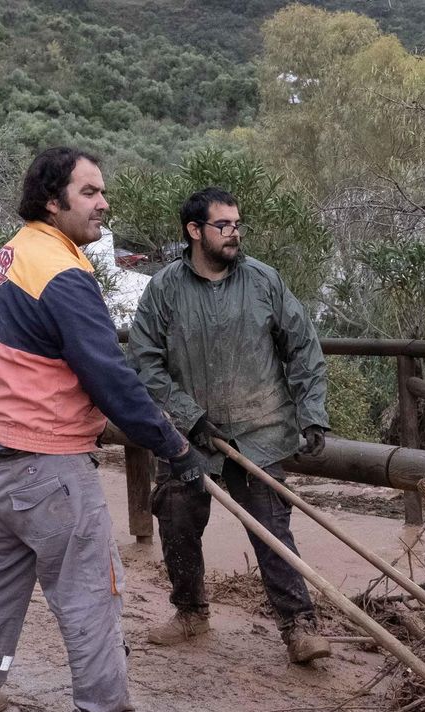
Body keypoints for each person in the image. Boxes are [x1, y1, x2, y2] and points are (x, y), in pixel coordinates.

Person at [0, 147, 205, 712]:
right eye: (89, 192)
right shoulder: (62, 271)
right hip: (43, 458)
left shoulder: (18, 252)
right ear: (52, 201)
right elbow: (107, 373)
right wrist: (173, 444)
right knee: (89, 588)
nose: (103, 202)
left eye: (102, 191)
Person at [128, 186, 332, 665]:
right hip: (188, 438)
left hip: (259, 434)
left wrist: (313, 414)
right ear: (194, 231)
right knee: (177, 521)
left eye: (238, 224)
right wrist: (189, 417)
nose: (234, 233)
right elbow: (144, 362)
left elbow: (303, 347)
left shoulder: (264, 281)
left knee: (272, 531)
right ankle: (190, 611)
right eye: (223, 225)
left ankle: (299, 627)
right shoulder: (164, 289)